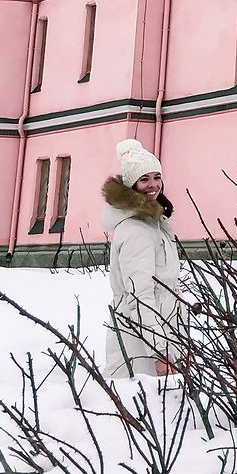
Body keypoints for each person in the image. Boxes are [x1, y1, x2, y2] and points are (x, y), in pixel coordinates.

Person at [100, 138, 181, 378]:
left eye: (156, 177)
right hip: (141, 344)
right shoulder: (136, 230)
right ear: (131, 185)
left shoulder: (153, 224)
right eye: (144, 179)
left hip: (157, 331)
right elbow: (140, 296)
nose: (152, 185)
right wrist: (161, 351)